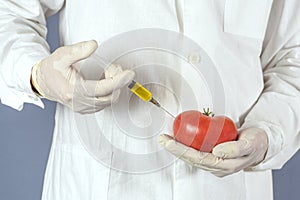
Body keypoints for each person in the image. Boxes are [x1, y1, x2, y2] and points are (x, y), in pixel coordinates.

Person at [0, 1, 299, 199]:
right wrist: (37, 73)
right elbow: (8, 12)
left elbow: (292, 58)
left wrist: (268, 134)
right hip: (97, 183)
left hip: (229, 188)